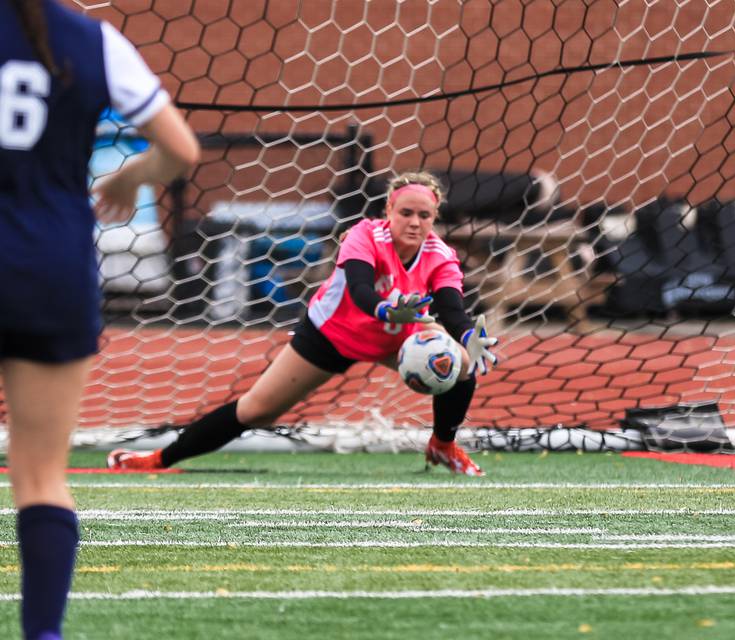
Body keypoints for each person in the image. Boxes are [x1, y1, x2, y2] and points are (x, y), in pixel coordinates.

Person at [0, 1, 199, 638]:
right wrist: (134, 176)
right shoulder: (92, 39)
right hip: (50, 268)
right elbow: (180, 147)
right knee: (39, 475)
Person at [109, 171, 498, 476]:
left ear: (434, 218)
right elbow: (361, 290)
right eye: (406, 213)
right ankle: (160, 458)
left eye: (424, 215)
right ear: (389, 212)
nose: (414, 222)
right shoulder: (363, 236)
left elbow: (452, 307)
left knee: (462, 365)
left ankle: (442, 445)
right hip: (332, 334)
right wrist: (384, 310)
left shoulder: (440, 254)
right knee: (256, 410)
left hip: (398, 340)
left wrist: (466, 337)